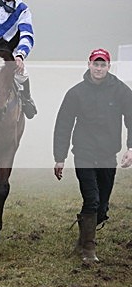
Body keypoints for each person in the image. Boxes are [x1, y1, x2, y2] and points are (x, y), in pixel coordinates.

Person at [53, 48, 132, 263]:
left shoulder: (120, 91)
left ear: (108, 66)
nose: (98, 68)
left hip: (107, 155)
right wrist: (60, 157)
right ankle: (88, 250)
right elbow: (63, 125)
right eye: (95, 64)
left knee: (102, 209)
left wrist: (130, 148)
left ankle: (83, 238)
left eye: (102, 64)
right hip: (84, 154)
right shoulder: (76, 93)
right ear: (89, 65)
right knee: (92, 200)